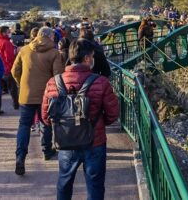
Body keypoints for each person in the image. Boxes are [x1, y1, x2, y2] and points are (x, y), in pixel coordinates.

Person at [41, 39, 119, 200]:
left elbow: (46, 117)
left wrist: (62, 125)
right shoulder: (101, 82)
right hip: (94, 142)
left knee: (64, 182)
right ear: (87, 58)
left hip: (66, 141)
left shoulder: (53, 82)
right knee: (95, 185)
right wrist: (97, 123)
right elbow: (113, 113)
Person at [12, 27, 64, 175]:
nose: (54, 38)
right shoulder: (54, 53)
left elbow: (14, 71)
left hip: (26, 95)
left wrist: (21, 84)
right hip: (45, 95)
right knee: (45, 123)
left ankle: (20, 157)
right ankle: (47, 151)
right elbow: (58, 76)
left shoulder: (24, 50)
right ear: (49, 36)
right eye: (53, 35)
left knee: (24, 125)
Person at [0, 26, 17, 111]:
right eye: (8, 32)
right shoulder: (6, 43)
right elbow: (9, 57)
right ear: (3, 33)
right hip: (7, 69)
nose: (9, 33)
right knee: (13, 89)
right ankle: (16, 105)